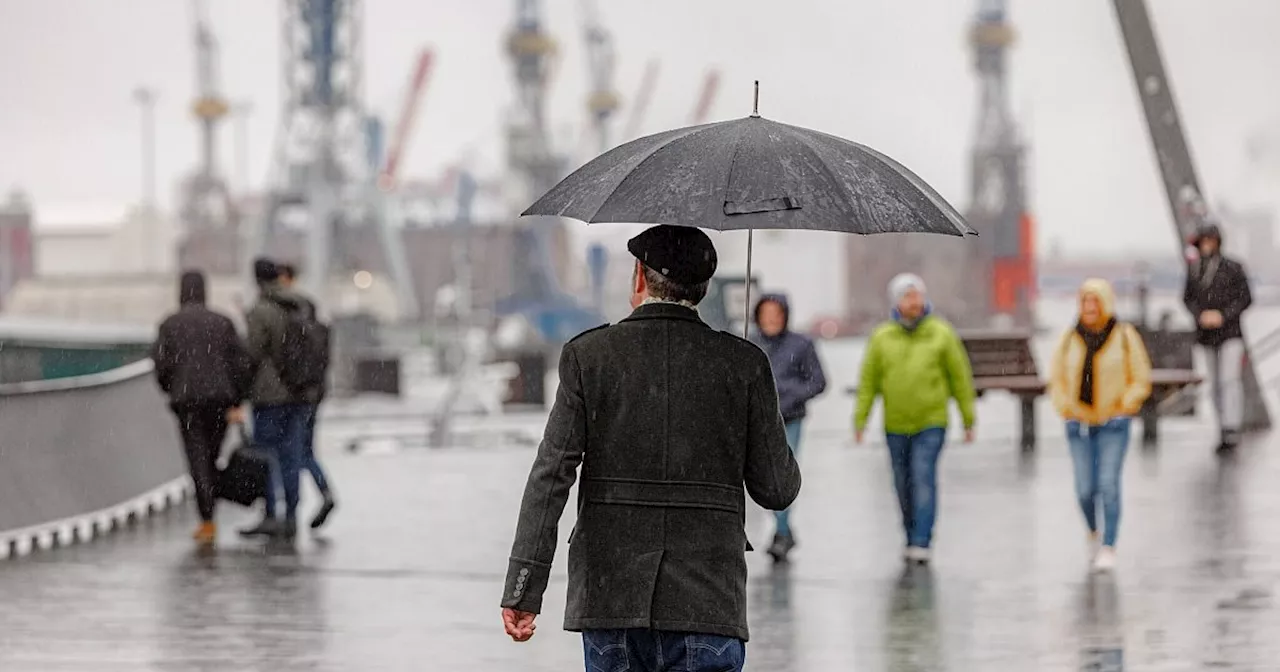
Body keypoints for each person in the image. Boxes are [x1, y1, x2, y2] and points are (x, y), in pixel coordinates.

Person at [500, 225, 801, 672]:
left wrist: (525, 589)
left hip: (611, 598)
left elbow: (551, 476)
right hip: (708, 602)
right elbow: (777, 489)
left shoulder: (590, 356)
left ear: (640, 278)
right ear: (700, 290)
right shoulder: (743, 363)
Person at [853, 273, 976, 565]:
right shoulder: (882, 337)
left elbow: (960, 378)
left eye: (917, 295)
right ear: (896, 301)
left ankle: (922, 539)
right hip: (895, 423)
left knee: (923, 477)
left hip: (931, 421)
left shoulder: (941, 333)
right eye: (907, 296)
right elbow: (869, 381)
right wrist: (861, 420)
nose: (914, 302)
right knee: (901, 482)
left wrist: (968, 418)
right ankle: (909, 534)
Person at [1049, 279, 1152, 572]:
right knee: (1085, 488)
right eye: (1085, 302)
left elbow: (1140, 375)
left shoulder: (1123, 336)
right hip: (1078, 424)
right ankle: (1093, 532)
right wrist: (1065, 407)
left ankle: (1109, 544)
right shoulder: (1070, 337)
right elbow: (1056, 377)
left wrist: (1126, 405)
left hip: (1113, 424)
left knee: (1108, 483)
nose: (1090, 308)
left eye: (1095, 302)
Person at [151, 270, 252, 546]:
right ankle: (212, 500)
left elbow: (161, 365)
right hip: (220, 399)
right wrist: (237, 399)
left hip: (187, 402)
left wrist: (170, 387)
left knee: (197, 457)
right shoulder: (222, 322)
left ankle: (206, 519)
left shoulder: (170, 325)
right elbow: (240, 362)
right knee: (213, 453)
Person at [240, 258, 317, 539]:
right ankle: (292, 516)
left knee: (267, 455)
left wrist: (240, 390)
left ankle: (272, 513)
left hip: (269, 396)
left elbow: (252, 354)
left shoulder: (262, 310)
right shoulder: (301, 304)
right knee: (292, 454)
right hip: (299, 392)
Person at [750, 293, 827, 562]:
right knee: (761, 477)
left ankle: (781, 532)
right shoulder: (750, 344)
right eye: (765, 315)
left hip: (789, 420)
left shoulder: (801, 344)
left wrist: (790, 395)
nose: (771, 320)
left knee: (780, 475)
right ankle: (784, 531)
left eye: (776, 315)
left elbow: (818, 381)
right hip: (757, 422)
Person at [1183, 222, 1253, 454]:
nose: (1207, 245)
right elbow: (1187, 298)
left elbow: (1246, 298)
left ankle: (1232, 427)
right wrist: (1200, 316)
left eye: (1210, 240)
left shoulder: (1233, 268)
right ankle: (1222, 427)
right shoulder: (1194, 270)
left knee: (1229, 380)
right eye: (1203, 241)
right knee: (1214, 383)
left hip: (1230, 333)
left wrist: (1223, 316)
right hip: (1206, 335)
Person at [276, 262, 337, 529]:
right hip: (315, 394)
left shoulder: (293, 325)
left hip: (298, 396)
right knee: (307, 449)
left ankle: (300, 507)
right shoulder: (319, 328)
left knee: (296, 452)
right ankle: (324, 492)